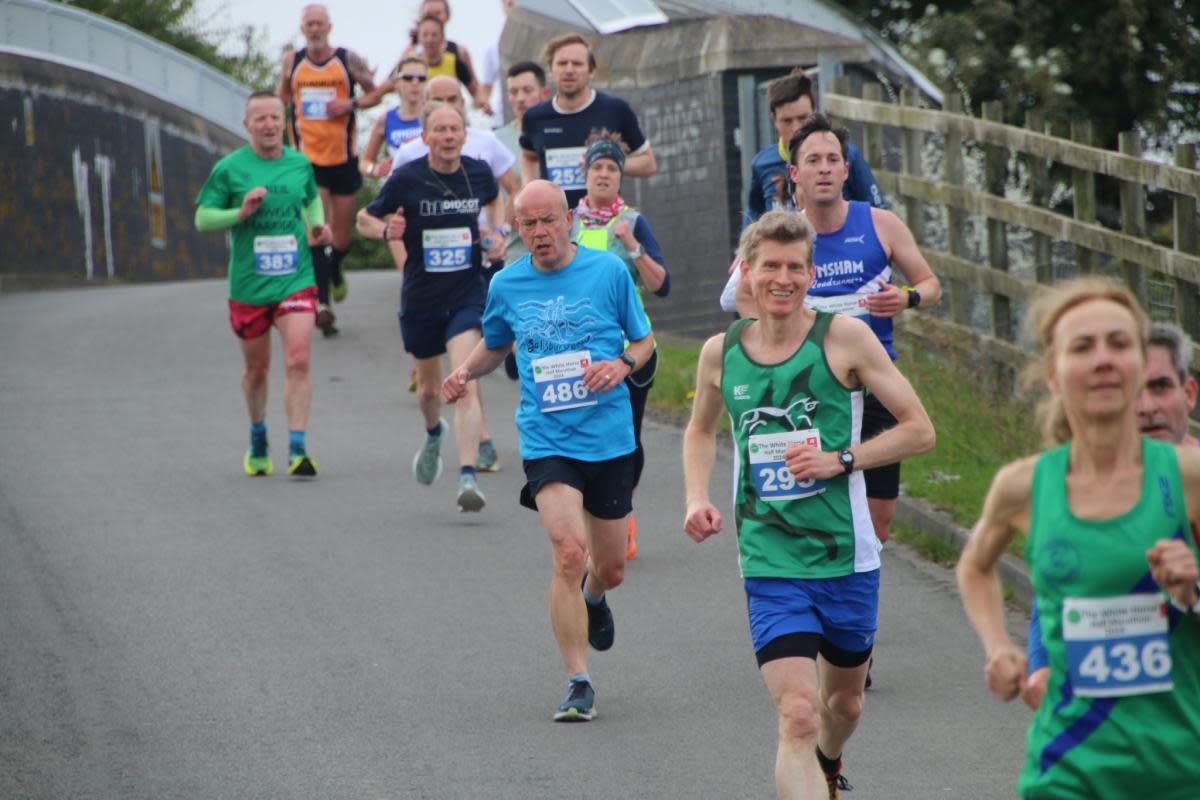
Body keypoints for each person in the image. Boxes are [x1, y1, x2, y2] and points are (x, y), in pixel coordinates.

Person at [683, 210, 936, 797]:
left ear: (811, 273)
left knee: (842, 703)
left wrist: (841, 459)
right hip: (769, 556)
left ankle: (828, 759)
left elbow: (920, 430)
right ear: (746, 272)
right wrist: (696, 495)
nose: (783, 278)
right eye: (770, 265)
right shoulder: (721, 354)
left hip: (847, 558)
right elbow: (699, 429)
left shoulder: (844, 338)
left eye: (795, 267)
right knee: (797, 712)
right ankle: (810, 758)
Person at [956, 277, 1200, 799]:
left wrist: (1195, 589)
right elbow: (975, 565)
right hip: (1067, 771)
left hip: (1179, 769)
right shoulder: (1022, 486)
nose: (1103, 360)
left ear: (1139, 364)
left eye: (1119, 343)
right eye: (1083, 347)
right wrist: (998, 647)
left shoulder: (1189, 477)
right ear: (1053, 375)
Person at [441, 180, 654, 722]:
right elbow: (495, 344)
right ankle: (577, 679)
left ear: (569, 220)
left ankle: (595, 597)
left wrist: (621, 366)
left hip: (608, 438)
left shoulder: (607, 272)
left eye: (547, 221)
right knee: (568, 551)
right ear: (517, 230)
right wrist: (465, 371)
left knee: (608, 567)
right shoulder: (507, 284)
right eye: (527, 224)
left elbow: (643, 340)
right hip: (547, 436)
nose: (538, 233)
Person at [723, 113, 941, 546]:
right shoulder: (782, 235)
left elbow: (931, 284)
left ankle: (856, 596)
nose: (823, 168)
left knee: (876, 523)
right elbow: (737, 294)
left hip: (875, 379)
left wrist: (906, 298)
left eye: (832, 159)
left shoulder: (881, 224)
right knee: (807, 502)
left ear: (846, 170)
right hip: (810, 386)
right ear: (794, 173)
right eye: (813, 160)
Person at [1022, 320, 1200, 710]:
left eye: (1160, 387)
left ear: (1188, 393)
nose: (1147, 408)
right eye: (1132, 391)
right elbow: (1052, 587)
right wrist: (1040, 668)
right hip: (1117, 724)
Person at [355, 102, 505, 511]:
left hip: (466, 294)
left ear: (464, 133)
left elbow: (495, 201)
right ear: (425, 137)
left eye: (455, 128)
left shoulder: (478, 172)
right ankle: (433, 432)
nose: (449, 136)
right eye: (439, 129)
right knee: (428, 391)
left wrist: (494, 232)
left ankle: (468, 477)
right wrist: (387, 230)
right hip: (422, 296)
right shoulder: (407, 178)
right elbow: (363, 220)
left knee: (464, 380)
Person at [388, 75, 520, 472]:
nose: (449, 125)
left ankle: (476, 453)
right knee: (430, 386)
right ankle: (445, 434)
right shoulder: (409, 159)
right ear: (426, 120)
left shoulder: (483, 147)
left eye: (454, 101)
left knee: (465, 368)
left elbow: (510, 191)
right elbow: (389, 217)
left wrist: (500, 232)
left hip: (472, 269)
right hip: (424, 282)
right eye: (439, 102)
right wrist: (405, 261)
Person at [194, 91, 329, 478]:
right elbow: (203, 218)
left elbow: (311, 201)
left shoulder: (299, 164)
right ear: (247, 125)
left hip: (295, 279)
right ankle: (257, 436)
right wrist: (240, 212)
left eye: (275, 117)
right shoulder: (230, 169)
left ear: (284, 122)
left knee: (299, 359)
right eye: (261, 119)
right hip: (249, 287)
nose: (269, 125)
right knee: (257, 371)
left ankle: (299, 449)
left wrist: (316, 224)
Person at [570, 133, 669, 560]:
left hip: (631, 347)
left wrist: (633, 246)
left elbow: (662, 285)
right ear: (585, 173)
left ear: (621, 175)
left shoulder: (633, 220)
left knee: (626, 437)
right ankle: (587, 522)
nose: (605, 174)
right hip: (575, 348)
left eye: (612, 168)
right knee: (580, 436)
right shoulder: (566, 220)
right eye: (598, 168)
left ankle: (620, 515)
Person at [279, 3, 380, 336]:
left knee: (341, 235)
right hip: (308, 160)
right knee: (315, 230)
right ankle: (322, 304)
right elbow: (282, 99)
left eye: (319, 23)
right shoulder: (291, 62)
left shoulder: (346, 60)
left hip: (343, 157)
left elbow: (374, 94)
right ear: (302, 28)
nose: (314, 28)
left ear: (329, 26)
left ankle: (334, 267)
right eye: (309, 23)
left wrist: (348, 104)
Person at [519, 33, 656, 209]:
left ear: (591, 72)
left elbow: (648, 164)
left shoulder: (615, 110)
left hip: (603, 222)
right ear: (551, 71)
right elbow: (528, 157)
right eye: (562, 63)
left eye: (577, 64)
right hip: (555, 224)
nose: (569, 70)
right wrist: (530, 191)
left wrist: (607, 162)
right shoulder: (534, 118)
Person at [745, 71, 886, 227]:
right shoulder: (762, 164)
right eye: (787, 121)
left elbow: (879, 214)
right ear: (774, 120)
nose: (797, 128)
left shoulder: (847, 155)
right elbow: (751, 225)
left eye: (803, 118)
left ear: (815, 112)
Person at [396, 0, 484, 109]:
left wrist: (483, 107)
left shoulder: (457, 54)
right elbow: (386, 88)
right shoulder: (409, 56)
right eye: (429, 14)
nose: (430, 40)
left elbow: (476, 91)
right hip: (419, 117)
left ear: (447, 16)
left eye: (437, 13)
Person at [358, 56, 427, 179]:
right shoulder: (386, 119)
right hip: (398, 189)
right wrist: (374, 170)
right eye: (408, 78)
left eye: (421, 79)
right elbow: (365, 162)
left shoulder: (435, 117)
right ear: (396, 83)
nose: (415, 83)